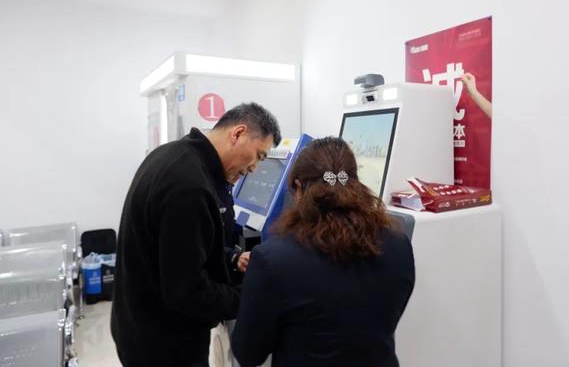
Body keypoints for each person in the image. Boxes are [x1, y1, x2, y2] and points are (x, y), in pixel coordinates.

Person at [111, 102, 281, 367]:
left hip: (137, 325)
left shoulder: (171, 155)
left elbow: (177, 248)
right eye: (259, 156)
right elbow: (188, 292)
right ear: (238, 133)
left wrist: (231, 258)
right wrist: (248, 298)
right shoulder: (189, 186)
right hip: (164, 346)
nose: (254, 169)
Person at [231, 137, 415, 367]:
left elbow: (248, 353)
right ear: (355, 184)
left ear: (299, 188)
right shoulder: (398, 245)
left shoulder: (273, 259)